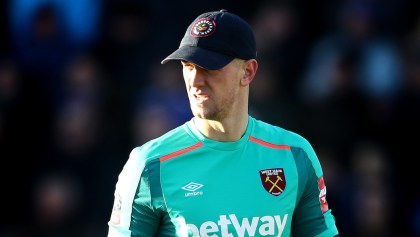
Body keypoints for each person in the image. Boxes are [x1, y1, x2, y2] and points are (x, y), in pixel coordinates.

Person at [107, 9, 340, 237]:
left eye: (209, 67)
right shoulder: (150, 165)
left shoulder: (294, 154)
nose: (195, 81)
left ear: (248, 72)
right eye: (188, 67)